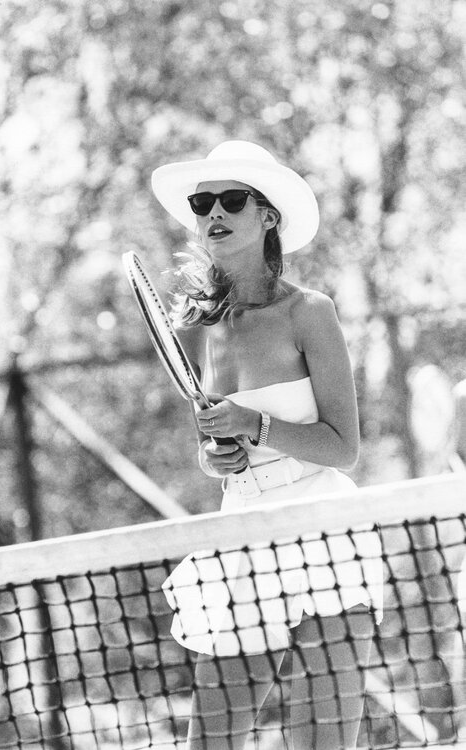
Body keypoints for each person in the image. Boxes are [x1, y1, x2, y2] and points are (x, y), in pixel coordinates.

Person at [151, 140, 383, 750]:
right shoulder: (192, 328)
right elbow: (211, 448)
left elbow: (343, 448)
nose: (213, 213)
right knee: (210, 742)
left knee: (321, 743)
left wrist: (255, 426)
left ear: (268, 217)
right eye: (202, 203)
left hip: (325, 532)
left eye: (233, 200)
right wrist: (216, 458)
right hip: (241, 535)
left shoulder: (311, 313)